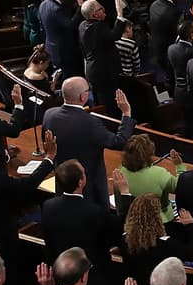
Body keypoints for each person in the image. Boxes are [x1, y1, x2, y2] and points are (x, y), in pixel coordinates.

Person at [43, 79, 135, 208]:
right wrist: (126, 113)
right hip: (89, 188)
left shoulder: (49, 115)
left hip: (63, 183)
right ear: (83, 96)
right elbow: (119, 142)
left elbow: (47, 145)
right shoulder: (91, 123)